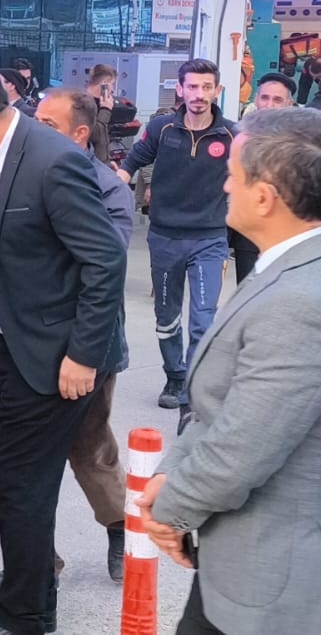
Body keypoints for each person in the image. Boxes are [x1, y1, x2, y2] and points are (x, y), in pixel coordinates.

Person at [136, 108, 321, 635]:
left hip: (279, 587)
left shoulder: (306, 302)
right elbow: (220, 407)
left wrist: (171, 509)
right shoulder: (294, 267)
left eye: (233, 175)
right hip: (241, 569)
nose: (224, 184)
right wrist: (168, 472)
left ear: (266, 197)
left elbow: (241, 449)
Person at [0, 52, 125, 635]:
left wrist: (83, 355)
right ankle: (25, 599)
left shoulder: (52, 160)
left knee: (24, 488)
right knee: (15, 484)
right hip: (12, 345)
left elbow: (105, 261)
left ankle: (26, 616)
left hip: (56, 356)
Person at [0, 88, 127, 591]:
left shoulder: (103, 185)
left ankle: (120, 527)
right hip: (30, 343)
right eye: (35, 118)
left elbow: (103, 263)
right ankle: (38, 568)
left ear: (80, 134)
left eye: (49, 123)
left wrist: (82, 354)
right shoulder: (19, 167)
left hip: (84, 345)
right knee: (29, 471)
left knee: (89, 448)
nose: (34, 128)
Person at [119, 59, 236, 412]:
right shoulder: (162, 128)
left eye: (206, 87)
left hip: (210, 240)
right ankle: (175, 375)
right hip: (165, 238)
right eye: (192, 87)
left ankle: (196, 386)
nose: (199, 94)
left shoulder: (232, 134)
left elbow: (255, 175)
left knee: (203, 318)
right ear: (181, 90)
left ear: (217, 91)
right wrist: (110, 191)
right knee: (166, 315)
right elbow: (130, 164)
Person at [229, 72, 298, 281]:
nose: (269, 105)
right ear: (256, 100)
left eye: (277, 100)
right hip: (248, 236)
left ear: (289, 104)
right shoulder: (237, 136)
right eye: (265, 98)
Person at [83, 63, 118, 164]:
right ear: (104, 84)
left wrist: (108, 161)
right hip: (90, 167)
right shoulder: (83, 104)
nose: (113, 90)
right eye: (112, 84)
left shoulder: (98, 104)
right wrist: (106, 110)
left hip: (101, 165)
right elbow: (94, 134)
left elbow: (102, 142)